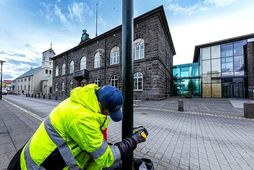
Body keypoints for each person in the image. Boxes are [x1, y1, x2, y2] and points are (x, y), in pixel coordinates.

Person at [8, 84, 148, 170]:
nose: (109, 116)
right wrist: (133, 140)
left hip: (35, 156)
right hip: (39, 166)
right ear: (101, 107)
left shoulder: (83, 100)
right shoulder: (83, 119)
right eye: (109, 113)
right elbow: (105, 158)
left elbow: (90, 142)